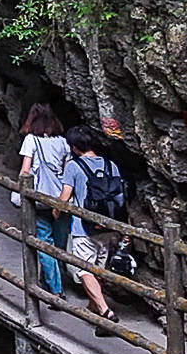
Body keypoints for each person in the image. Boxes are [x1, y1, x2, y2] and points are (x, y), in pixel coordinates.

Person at [63, 126, 124, 324]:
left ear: (74, 146)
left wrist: (56, 210)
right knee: (98, 269)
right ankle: (94, 308)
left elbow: (65, 197)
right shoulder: (111, 165)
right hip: (107, 227)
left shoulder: (74, 166)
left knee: (84, 270)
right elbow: (120, 199)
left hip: (84, 228)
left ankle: (105, 311)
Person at [18, 103, 71, 300]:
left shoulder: (31, 140)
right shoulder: (63, 143)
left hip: (39, 198)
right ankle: (48, 281)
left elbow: (25, 171)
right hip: (60, 199)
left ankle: (56, 290)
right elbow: (66, 173)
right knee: (57, 243)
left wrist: (20, 190)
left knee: (43, 241)